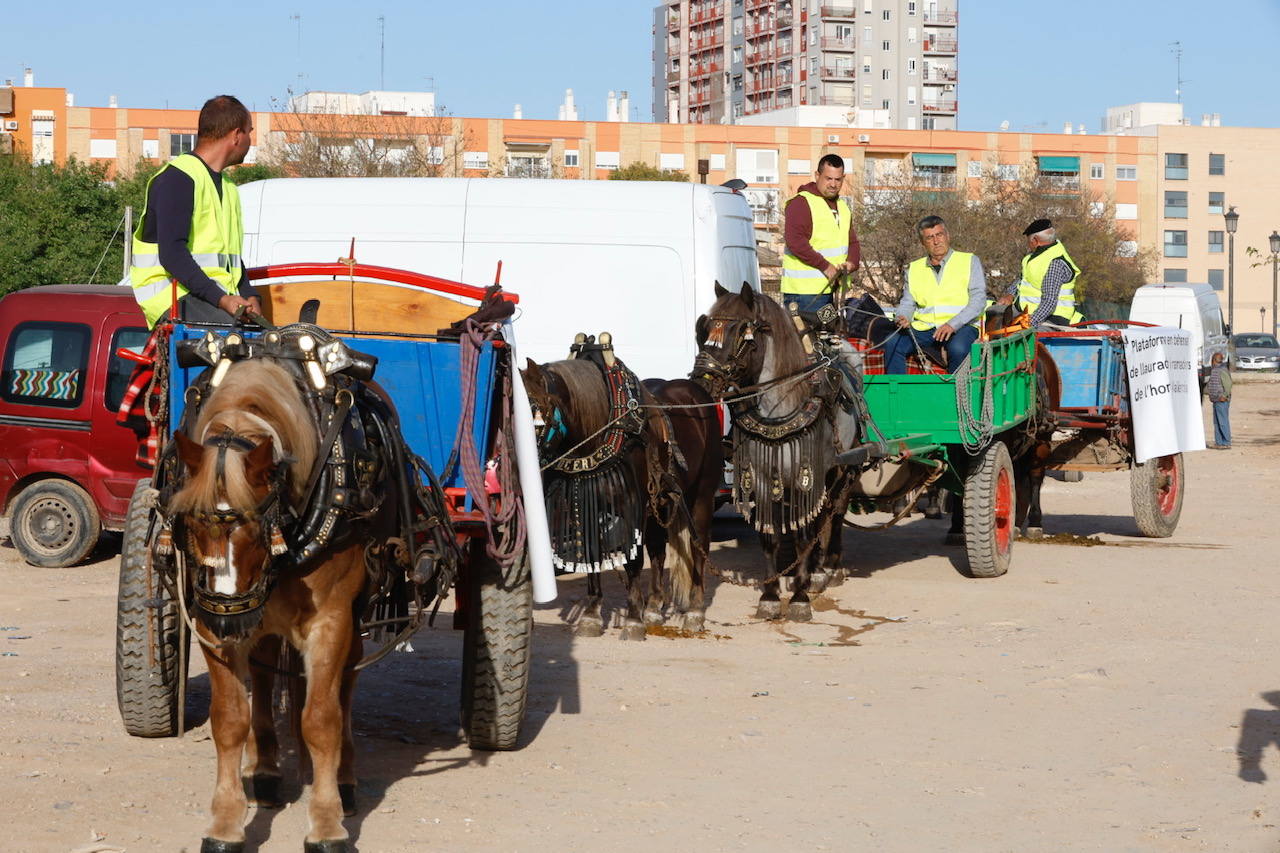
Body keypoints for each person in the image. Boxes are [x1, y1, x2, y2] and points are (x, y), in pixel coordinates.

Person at [130, 94, 261, 328]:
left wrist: (251, 296)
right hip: (173, 297)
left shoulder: (228, 187)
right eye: (250, 132)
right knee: (238, 343)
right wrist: (222, 300)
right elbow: (172, 255)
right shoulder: (177, 178)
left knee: (266, 341)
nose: (250, 140)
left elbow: (230, 261)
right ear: (236, 135)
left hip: (208, 297)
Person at [884, 215, 986, 375]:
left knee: (958, 349)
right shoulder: (913, 268)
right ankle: (898, 396)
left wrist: (952, 324)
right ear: (922, 242)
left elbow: (979, 300)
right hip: (925, 328)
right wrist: (902, 317)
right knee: (893, 343)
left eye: (939, 235)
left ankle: (955, 396)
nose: (936, 241)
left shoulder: (969, 261)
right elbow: (908, 302)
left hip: (963, 326)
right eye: (930, 237)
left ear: (948, 236)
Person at [780, 153, 861, 315]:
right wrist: (826, 267)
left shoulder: (843, 207)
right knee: (810, 341)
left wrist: (851, 263)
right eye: (828, 178)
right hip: (804, 295)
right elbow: (795, 241)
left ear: (843, 178)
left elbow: (852, 242)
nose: (833, 184)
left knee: (830, 340)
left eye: (838, 180)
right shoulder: (801, 203)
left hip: (830, 291)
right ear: (817, 175)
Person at [996, 217, 1084, 326]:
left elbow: (1049, 302)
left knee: (1018, 338)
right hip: (1025, 313)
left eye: (1028, 241)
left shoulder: (1055, 262)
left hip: (1051, 319)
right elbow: (1023, 280)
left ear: (1035, 240)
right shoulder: (1032, 258)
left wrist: (1030, 322)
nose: (1028, 245)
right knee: (993, 313)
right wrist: (1010, 294)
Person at [1206, 351, 1232, 449]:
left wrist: (1224, 396)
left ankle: (1226, 442)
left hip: (1222, 400)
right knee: (1217, 422)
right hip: (1216, 400)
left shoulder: (1222, 370)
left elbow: (1228, 385)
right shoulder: (1215, 370)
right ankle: (1219, 442)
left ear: (1213, 361)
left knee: (1222, 421)